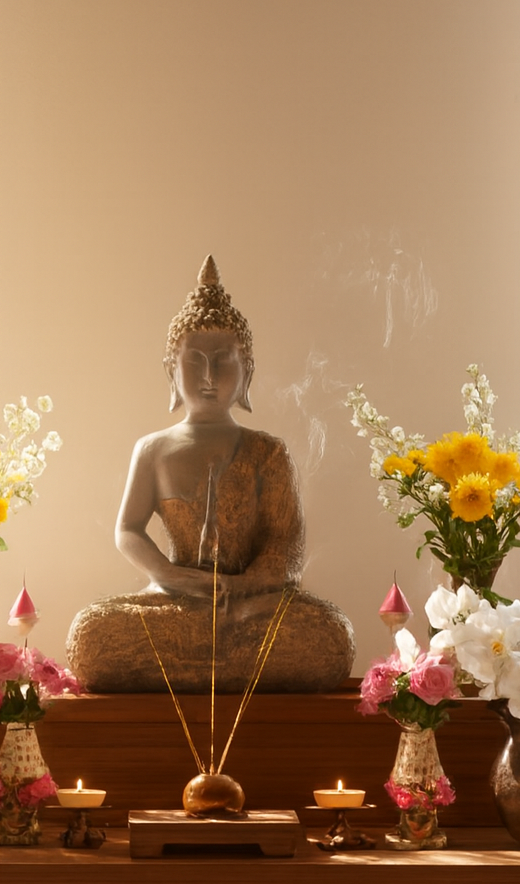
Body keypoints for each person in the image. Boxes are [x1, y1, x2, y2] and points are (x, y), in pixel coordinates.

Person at [66, 257, 355, 693]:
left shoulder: (268, 451)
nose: (207, 376)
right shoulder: (152, 449)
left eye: (223, 361)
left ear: (247, 372)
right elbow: (127, 530)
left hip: (251, 606)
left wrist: (238, 592)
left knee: (330, 637)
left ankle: (201, 658)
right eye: (194, 361)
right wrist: (174, 577)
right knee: (91, 636)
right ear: (170, 370)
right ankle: (221, 657)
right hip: (174, 601)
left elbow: (285, 549)